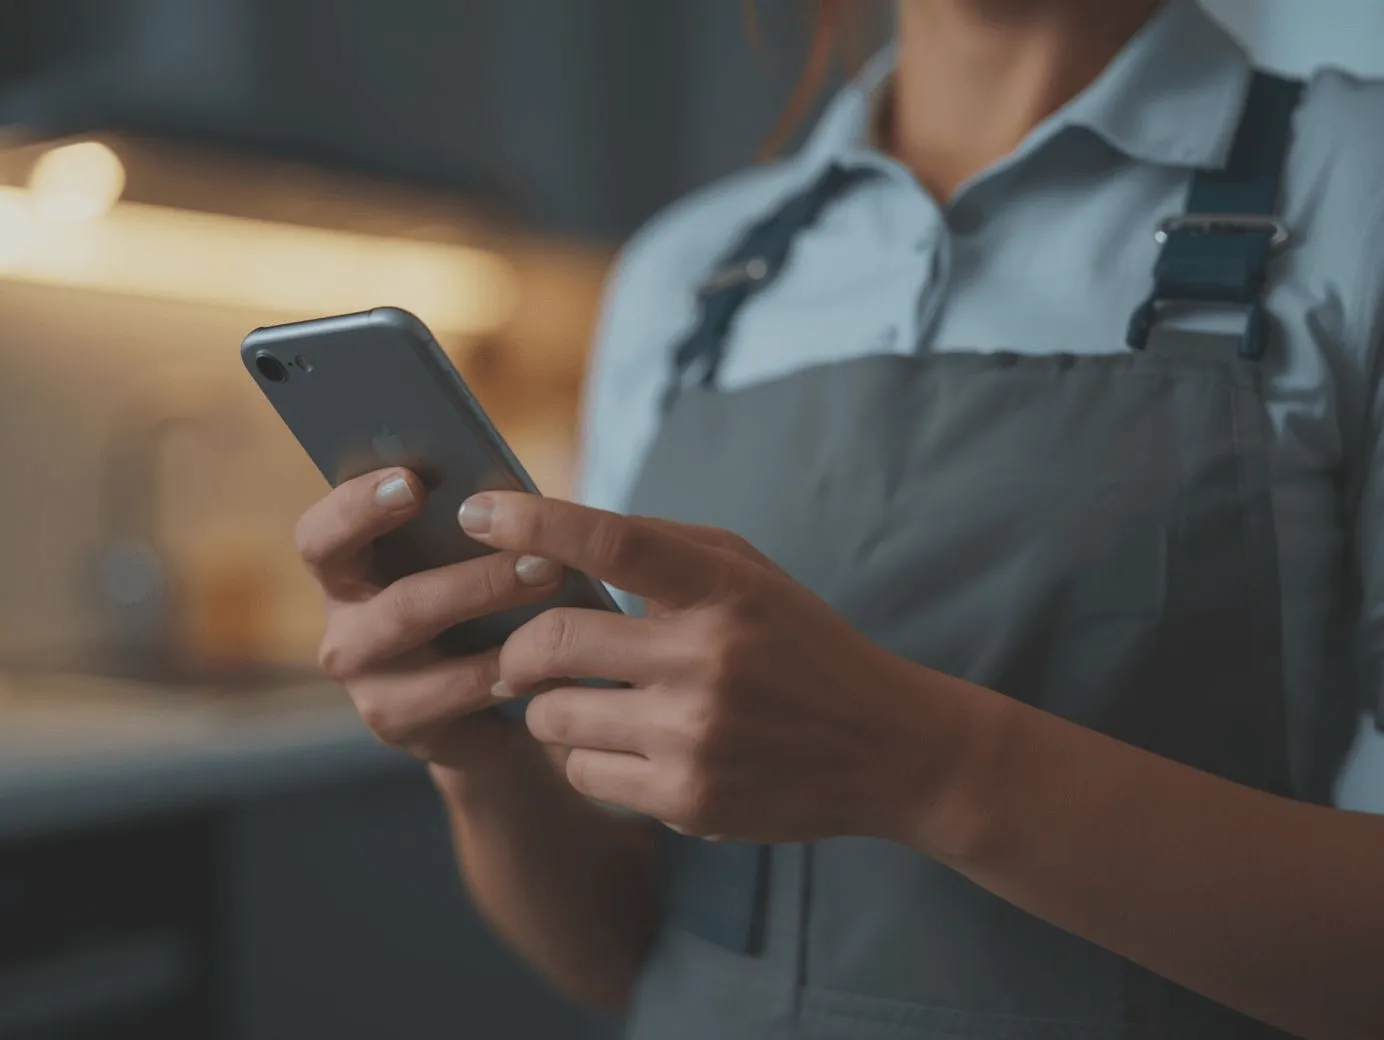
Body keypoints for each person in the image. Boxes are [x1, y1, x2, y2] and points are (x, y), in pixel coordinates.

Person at [293, 1, 1384, 1037]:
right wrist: (479, 760)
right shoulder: (682, 280)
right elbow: (626, 951)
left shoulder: (1355, 182)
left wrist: (928, 763)